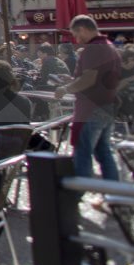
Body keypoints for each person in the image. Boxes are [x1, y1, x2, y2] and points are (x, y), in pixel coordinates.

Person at [53, 15, 122, 181]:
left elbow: (89, 79)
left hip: (91, 108)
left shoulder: (94, 48)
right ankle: (113, 192)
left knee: (83, 152)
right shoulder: (109, 46)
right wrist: (72, 80)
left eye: (76, 34)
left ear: (83, 29)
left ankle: (80, 191)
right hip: (107, 105)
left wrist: (66, 88)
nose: (77, 39)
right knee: (104, 151)